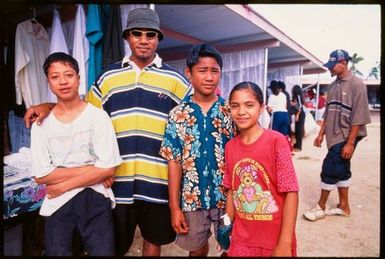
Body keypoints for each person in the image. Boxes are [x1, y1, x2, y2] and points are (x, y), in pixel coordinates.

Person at [24, 8, 191, 256]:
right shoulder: (108, 77)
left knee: (152, 241)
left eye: (150, 34)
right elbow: (81, 111)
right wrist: (48, 107)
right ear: (127, 37)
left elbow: (189, 125)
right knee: (113, 246)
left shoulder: (177, 80)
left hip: (157, 178)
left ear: (158, 39)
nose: (143, 39)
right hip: (116, 180)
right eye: (137, 33)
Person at [30, 52, 122, 256]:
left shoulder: (98, 117)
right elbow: (42, 175)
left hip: (95, 197)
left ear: (79, 78)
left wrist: (63, 184)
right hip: (58, 203)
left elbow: (109, 167)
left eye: (68, 75)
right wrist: (93, 170)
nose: (63, 81)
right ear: (48, 82)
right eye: (55, 77)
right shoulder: (41, 124)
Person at [159, 43, 234, 256]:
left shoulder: (230, 111)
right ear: (189, 73)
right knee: (197, 248)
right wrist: (175, 208)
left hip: (228, 197)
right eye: (202, 71)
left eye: (214, 71)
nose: (209, 77)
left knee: (231, 247)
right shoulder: (177, 114)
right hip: (192, 198)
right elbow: (173, 162)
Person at [223, 81, 299, 256]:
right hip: (241, 240)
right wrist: (226, 226)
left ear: (262, 107)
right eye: (235, 106)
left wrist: (285, 243)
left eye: (249, 105)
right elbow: (232, 190)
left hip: (273, 241)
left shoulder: (276, 141)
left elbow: (291, 192)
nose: (241, 112)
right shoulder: (230, 147)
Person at [303, 49, 371, 221]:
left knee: (330, 167)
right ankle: (344, 206)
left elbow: (359, 116)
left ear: (344, 63)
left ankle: (320, 206)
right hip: (333, 134)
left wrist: (350, 143)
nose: (330, 69)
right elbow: (327, 112)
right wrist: (321, 134)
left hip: (347, 134)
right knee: (342, 169)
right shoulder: (333, 86)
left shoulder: (357, 84)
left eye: (333, 66)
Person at [290, 84, 305, 152]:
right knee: (297, 129)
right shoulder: (297, 96)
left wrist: (297, 115)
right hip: (299, 114)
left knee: (299, 130)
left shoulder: (298, 96)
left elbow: (300, 107)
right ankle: (297, 144)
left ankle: (299, 146)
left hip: (300, 114)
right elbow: (296, 104)